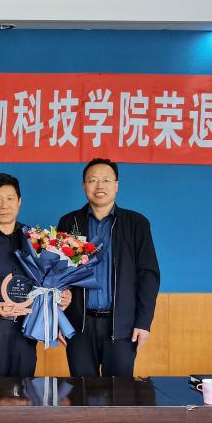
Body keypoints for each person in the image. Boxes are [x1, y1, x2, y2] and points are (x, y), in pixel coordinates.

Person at [0, 173, 68, 377]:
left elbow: (49, 279)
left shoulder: (34, 238)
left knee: (23, 389)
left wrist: (61, 295)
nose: (4, 205)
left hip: (26, 326)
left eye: (10, 198)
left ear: (19, 201)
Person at [56, 158, 160, 378]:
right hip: (79, 326)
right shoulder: (69, 222)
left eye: (106, 180)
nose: (99, 186)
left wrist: (144, 322)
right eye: (93, 180)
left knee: (120, 392)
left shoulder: (136, 223)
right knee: (82, 391)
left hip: (122, 327)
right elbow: (57, 274)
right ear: (84, 185)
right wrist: (57, 320)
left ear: (116, 185)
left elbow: (148, 275)